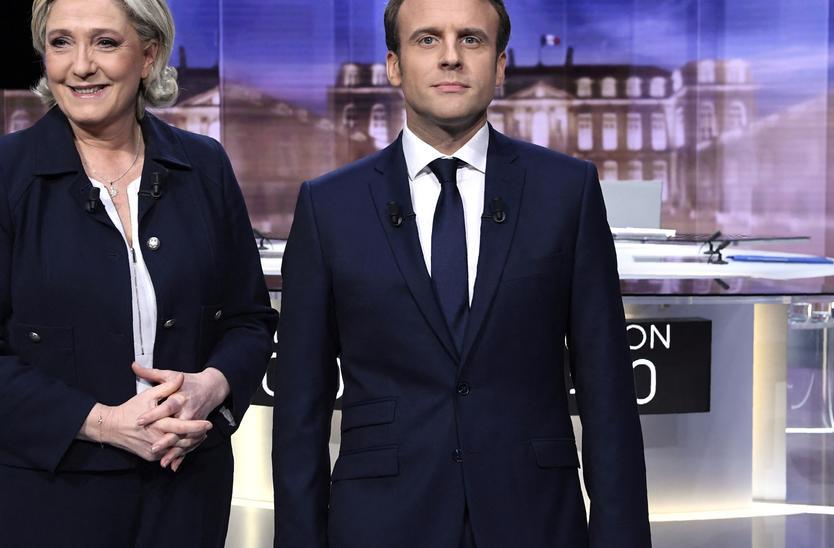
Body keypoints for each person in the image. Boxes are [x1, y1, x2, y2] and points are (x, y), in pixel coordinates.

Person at [271, 0, 650, 546]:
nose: (451, 58)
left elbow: (608, 392)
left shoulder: (567, 193)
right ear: (394, 65)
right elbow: (299, 411)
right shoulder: (329, 206)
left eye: (471, 39)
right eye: (427, 40)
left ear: (499, 65)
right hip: (381, 521)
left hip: (533, 518)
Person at [0, 0, 276, 545]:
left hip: (188, 488)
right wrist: (105, 423)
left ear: (148, 55)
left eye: (105, 43)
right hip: (53, 498)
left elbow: (250, 321)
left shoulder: (204, 165)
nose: (81, 65)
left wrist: (210, 388)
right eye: (61, 42)